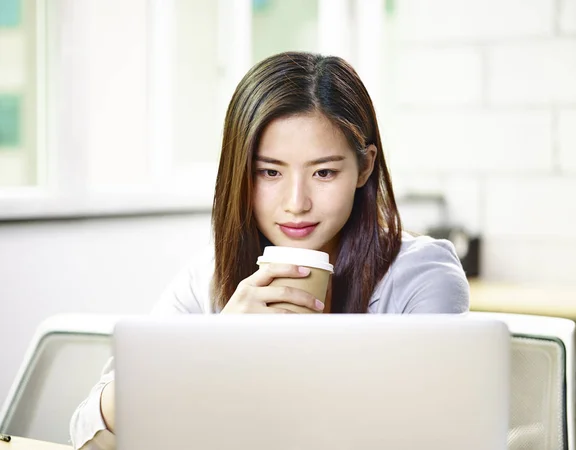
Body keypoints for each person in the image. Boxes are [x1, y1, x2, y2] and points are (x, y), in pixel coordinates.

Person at [69, 51, 469, 449]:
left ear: (364, 168)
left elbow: (425, 432)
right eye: (270, 172)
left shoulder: (420, 274)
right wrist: (210, 346)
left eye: (324, 172)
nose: (296, 202)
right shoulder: (207, 279)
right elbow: (90, 431)